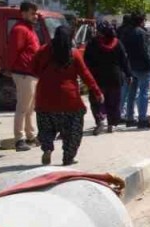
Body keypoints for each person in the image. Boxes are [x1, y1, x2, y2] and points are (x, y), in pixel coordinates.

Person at [32, 25, 102, 167]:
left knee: (46, 128)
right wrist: (97, 92)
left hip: (44, 97)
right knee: (73, 130)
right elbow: (86, 75)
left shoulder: (43, 50)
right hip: (69, 100)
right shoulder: (74, 54)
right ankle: (68, 157)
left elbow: (33, 68)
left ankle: (47, 149)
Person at [84, 21, 131, 135]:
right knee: (113, 101)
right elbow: (124, 61)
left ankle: (100, 121)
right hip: (114, 77)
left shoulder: (93, 43)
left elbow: (86, 61)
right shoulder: (117, 43)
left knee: (96, 101)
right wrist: (128, 74)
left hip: (97, 78)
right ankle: (111, 124)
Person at [8, 1, 40, 151]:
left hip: (31, 73)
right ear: (24, 13)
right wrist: (10, 68)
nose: (36, 16)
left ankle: (30, 136)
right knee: (22, 107)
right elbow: (13, 51)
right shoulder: (20, 29)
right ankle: (19, 139)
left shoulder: (29, 29)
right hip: (24, 73)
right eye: (32, 13)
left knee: (30, 108)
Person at [119, 13, 150, 128]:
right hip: (142, 66)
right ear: (141, 21)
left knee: (131, 93)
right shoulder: (142, 33)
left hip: (130, 66)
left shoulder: (125, 32)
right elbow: (145, 51)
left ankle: (130, 118)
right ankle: (142, 118)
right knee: (144, 93)